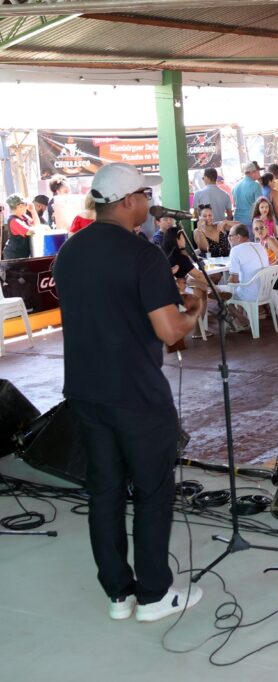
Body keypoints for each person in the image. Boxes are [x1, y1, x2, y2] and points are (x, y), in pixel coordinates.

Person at [53, 162, 203, 622]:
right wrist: (193, 305)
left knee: (106, 491)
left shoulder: (69, 253)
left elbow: (101, 308)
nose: (146, 204)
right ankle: (156, 595)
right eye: (142, 195)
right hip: (136, 393)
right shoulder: (143, 254)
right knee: (154, 491)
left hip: (84, 390)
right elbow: (169, 331)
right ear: (126, 202)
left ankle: (119, 595)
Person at [3, 194, 37, 259]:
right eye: (25, 204)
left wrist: (33, 211)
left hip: (23, 254)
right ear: (20, 205)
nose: (27, 206)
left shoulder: (24, 216)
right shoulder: (14, 220)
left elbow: (37, 224)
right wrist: (43, 228)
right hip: (14, 255)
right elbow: (30, 232)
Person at [232, 161, 263, 227]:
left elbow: (234, 204)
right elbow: (260, 206)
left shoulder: (236, 185)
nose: (258, 173)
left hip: (236, 221)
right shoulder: (256, 185)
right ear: (252, 172)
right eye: (257, 171)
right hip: (250, 221)